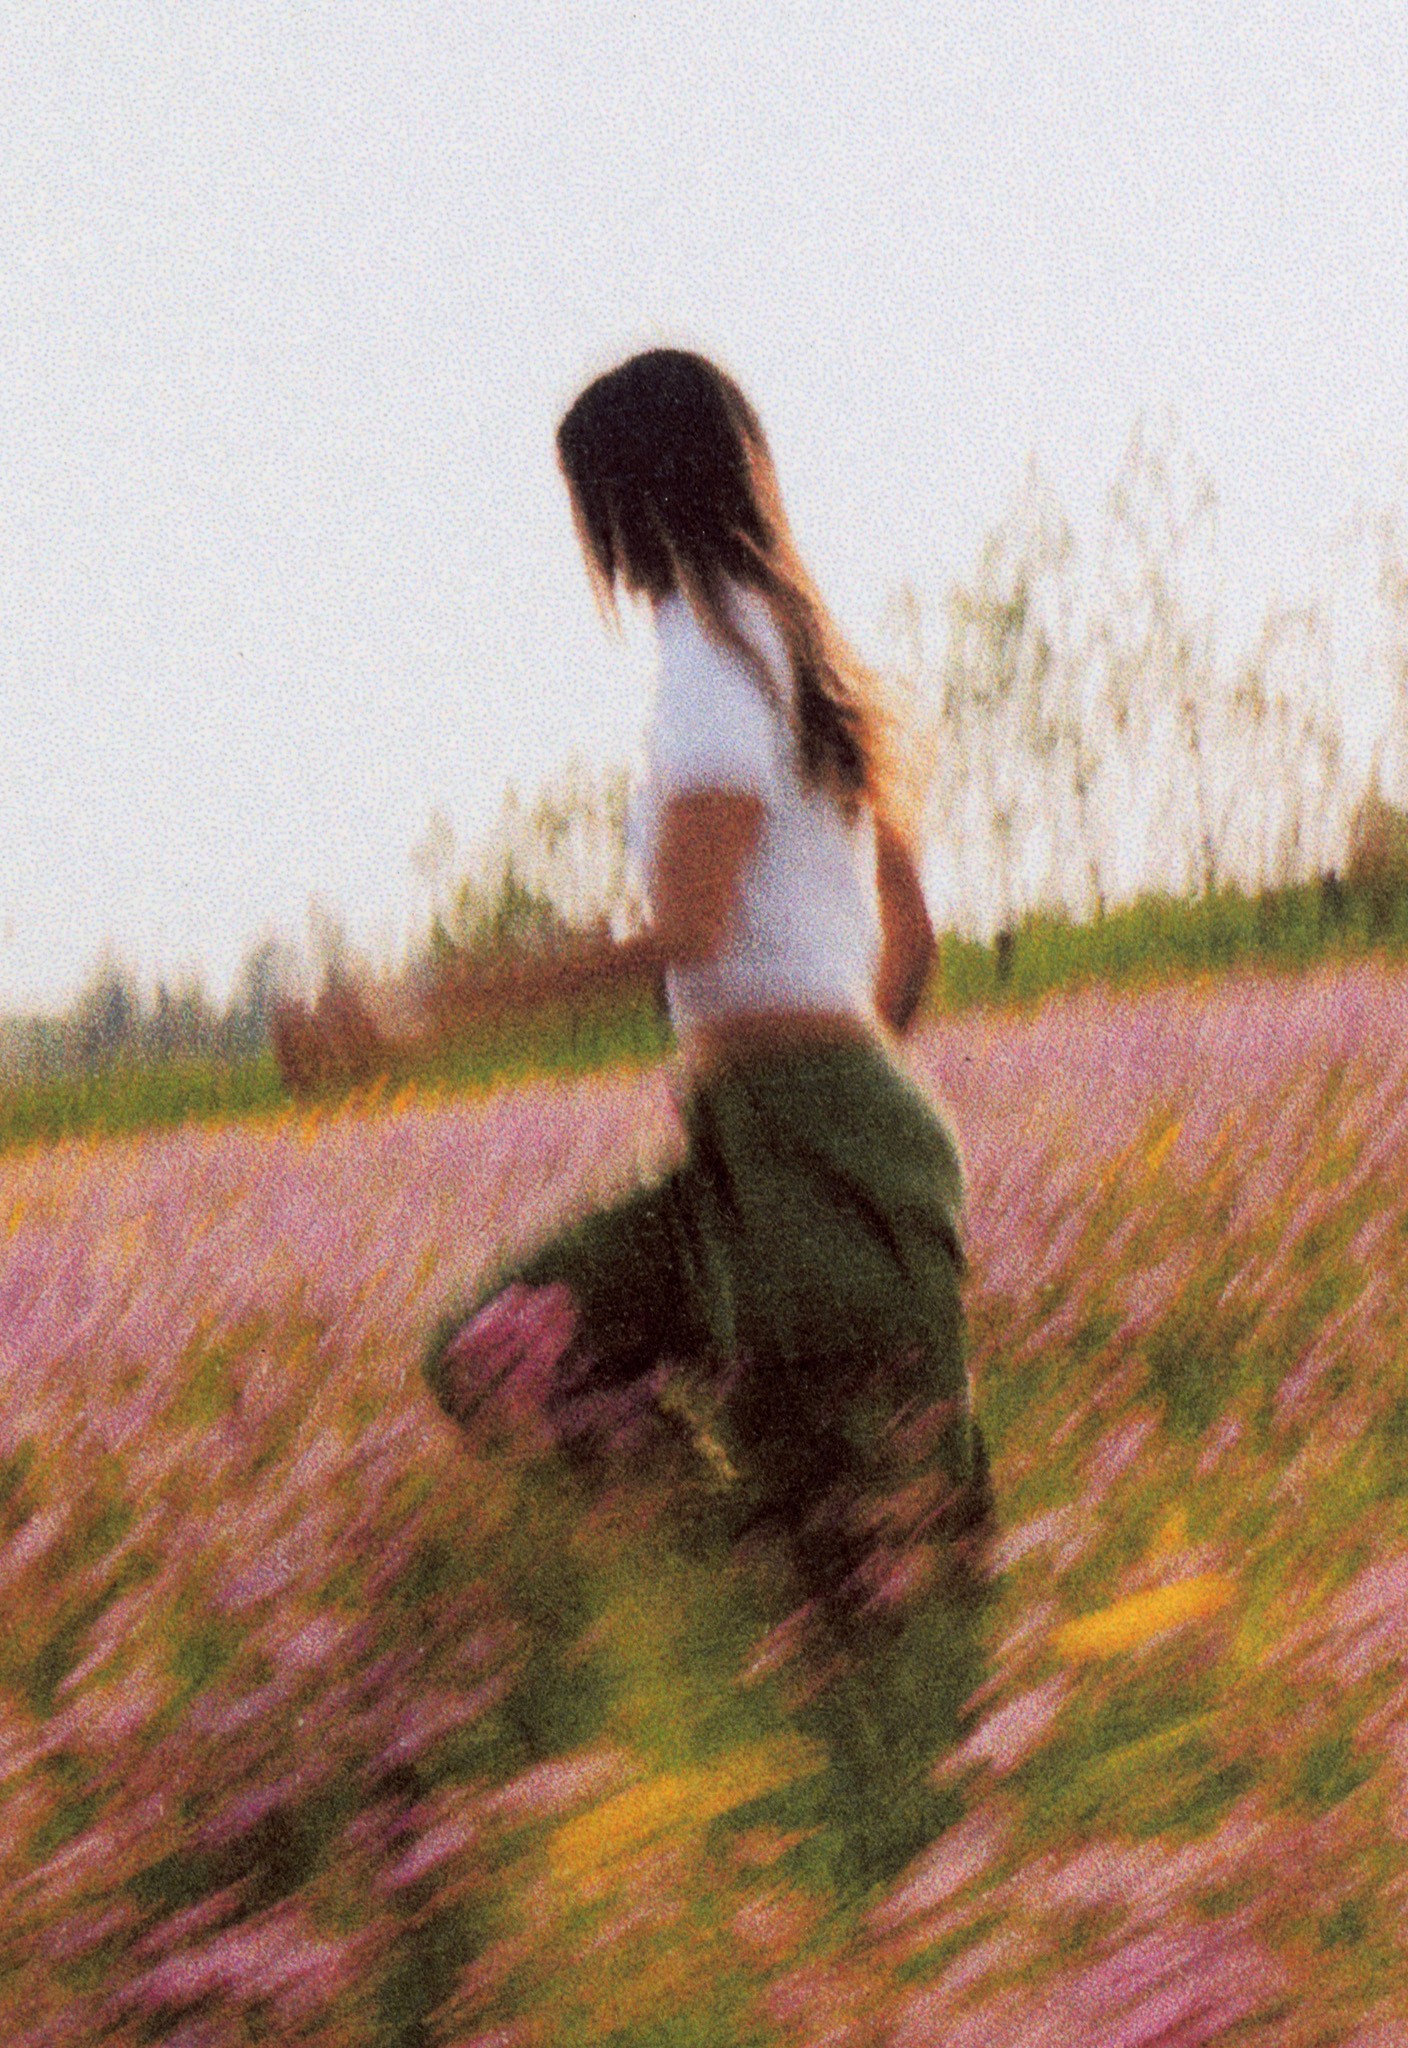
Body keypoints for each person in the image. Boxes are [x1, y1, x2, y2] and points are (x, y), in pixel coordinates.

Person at [420, 348, 994, 1896]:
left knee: (847, 1565)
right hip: (810, 1134)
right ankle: (769, 1631)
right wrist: (844, 1092)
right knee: (510, 1357)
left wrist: (416, 1010)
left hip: (801, 1137)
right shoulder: (807, 652)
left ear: (624, 502)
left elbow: (687, 926)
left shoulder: (702, 658)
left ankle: (865, 1866)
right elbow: (911, 943)